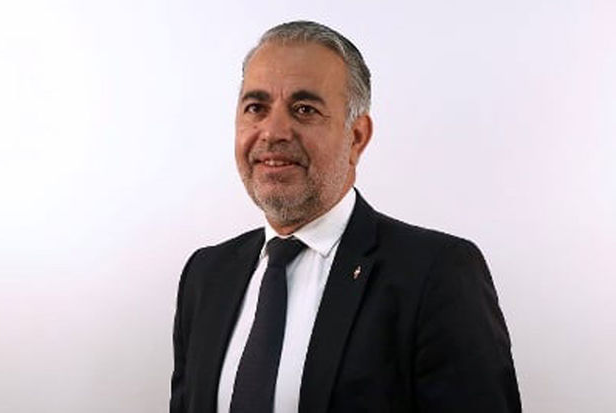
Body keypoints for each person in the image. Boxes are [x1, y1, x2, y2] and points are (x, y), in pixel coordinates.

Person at [170, 21, 521, 413]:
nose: (273, 132)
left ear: (356, 137)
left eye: (304, 109)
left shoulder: (437, 274)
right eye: (256, 108)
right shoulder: (206, 276)